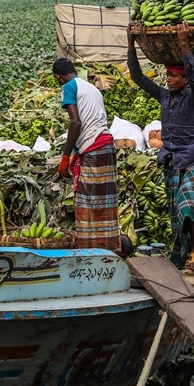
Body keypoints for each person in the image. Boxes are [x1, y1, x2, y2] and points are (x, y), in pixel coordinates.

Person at [127, 23, 194, 273]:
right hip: (171, 160)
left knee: (187, 204)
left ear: (184, 78)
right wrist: (130, 42)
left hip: (192, 159)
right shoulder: (164, 96)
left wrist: (184, 44)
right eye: (168, 76)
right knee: (175, 212)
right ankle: (182, 254)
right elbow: (138, 76)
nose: (169, 80)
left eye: (174, 76)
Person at [53, 58, 121, 253]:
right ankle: (108, 248)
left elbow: (76, 122)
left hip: (93, 150)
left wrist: (65, 156)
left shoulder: (68, 87)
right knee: (105, 203)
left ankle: (89, 251)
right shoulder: (92, 88)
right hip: (106, 145)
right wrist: (77, 153)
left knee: (88, 202)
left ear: (59, 76)